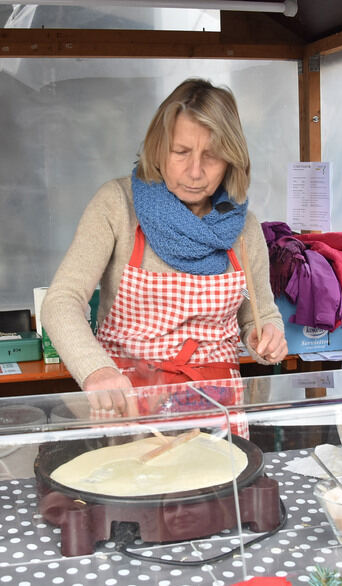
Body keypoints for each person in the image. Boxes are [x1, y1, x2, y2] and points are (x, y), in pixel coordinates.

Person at [41, 78, 287, 418]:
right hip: (130, 403)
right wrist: (95, 369)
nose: (196, 171)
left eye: (212, 157)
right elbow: (61, 302)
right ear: (159, 148)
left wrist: (268, 336)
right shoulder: (117, 205)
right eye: (181, 152)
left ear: (232, 159)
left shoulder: (244, 227)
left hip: (218, 409)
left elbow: (259, 316)